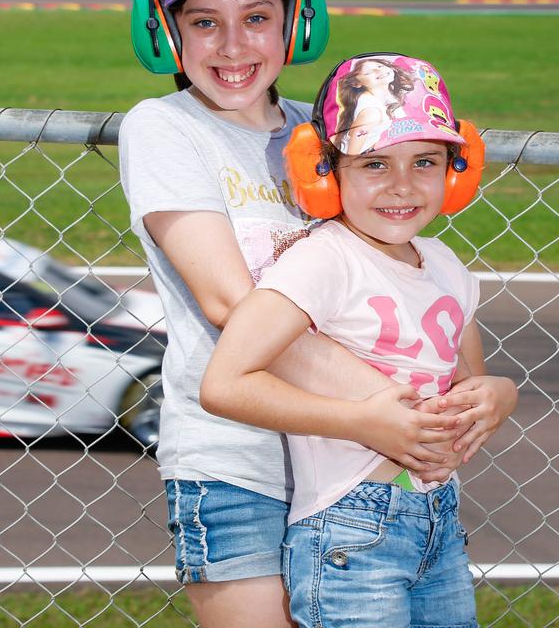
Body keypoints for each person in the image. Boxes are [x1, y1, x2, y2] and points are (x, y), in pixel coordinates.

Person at [120, 0, 513, 628]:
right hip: (234, 464)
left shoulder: (336, 136)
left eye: (258, 17)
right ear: (165, 30)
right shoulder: (163, 126)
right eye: (204, 22)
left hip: (346, 472)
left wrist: (465, 396)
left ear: (300, 19)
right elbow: (228, 301)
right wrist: (392, 411)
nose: (233, 45)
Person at [201, 53, 518, 628]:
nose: (402, 186)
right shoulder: (322, 261)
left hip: (437, 516)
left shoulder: (446, 265)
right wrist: (359, 421)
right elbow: (225, 384)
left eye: (425, 161)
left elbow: (467, 379)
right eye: (374, 164)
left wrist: (500, 394)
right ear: (324, 171)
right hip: (349, 528)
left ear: (455, 169)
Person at [334, 56, 414, 155]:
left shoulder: (388, 95)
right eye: (368, 72)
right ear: (357, 83)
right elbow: (352, 155)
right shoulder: (371, 112)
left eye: (380, 66)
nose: (378, 71)